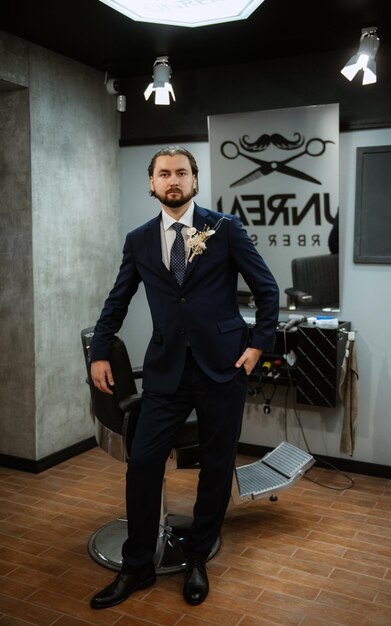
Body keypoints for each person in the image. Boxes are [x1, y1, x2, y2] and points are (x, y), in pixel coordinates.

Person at [88, 146, 280, 609]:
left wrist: (258, 346)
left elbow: (267, 289)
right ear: (151, 184)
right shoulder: (138, 240)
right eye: (163, 174)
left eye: (181, 172)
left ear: (194, 180)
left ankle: (197, 557)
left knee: (216, 466)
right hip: (166, 370)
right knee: (145, 464)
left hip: (223, 366)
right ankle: (137, 567)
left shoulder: (225, 228)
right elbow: (118, 301)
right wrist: (99, 351)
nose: (172, 180)